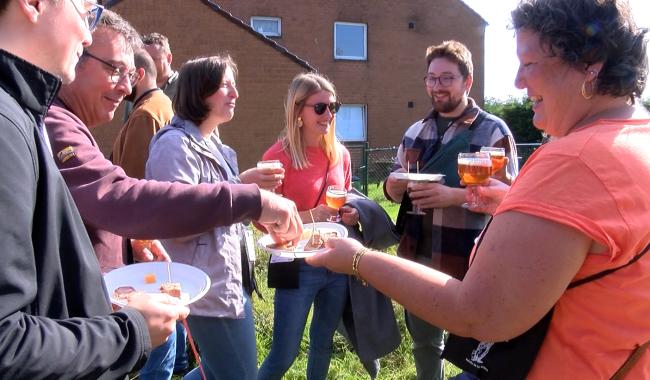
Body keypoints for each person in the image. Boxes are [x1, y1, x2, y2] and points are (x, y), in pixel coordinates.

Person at [307, 0, 650, 378]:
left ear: (591, 63)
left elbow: (479, 313)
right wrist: (511, 203)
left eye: (529, 63)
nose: (518, 81)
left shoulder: (574, 160)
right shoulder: (635, 140)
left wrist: (357, 259)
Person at [44, 9, 300, 380]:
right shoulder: (59, 123)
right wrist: (251, 197)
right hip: (191, 291)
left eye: (129, 75)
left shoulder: (218, 145)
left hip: (216, 282)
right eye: (115, 69)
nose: (124, 86)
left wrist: (133, 236)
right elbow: (118, 194)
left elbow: (93, 204)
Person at [0, 0, 188, 378]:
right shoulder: (9, 124)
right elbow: (7, 343)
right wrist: (129, 333)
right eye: (86, 11)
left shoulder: (24, 113)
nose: (86, 34)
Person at [383, 40, 518, 380]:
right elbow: (392, 184)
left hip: (472, 256)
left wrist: (453, 196)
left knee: (475, 344)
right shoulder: (416, 131)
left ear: (466, 81)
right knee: (425, 344)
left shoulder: (493, 131)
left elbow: (513, 200)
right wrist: (393, 187)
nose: (436, 86)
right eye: (431, 78)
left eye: (446, 78)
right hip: (419, 255)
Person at [147, 55, 278, 380]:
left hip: (229, 279)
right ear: (198, 91)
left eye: (234, 85)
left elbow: (225, 216)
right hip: (205, 287)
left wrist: (255, 211)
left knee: (222, 372)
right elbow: (178, 221)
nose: (234, 93)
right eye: (224, 86)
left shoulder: (215, 145)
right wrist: (242, 187)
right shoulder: (174, 146)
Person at [257, 72, 360, 380]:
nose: (328, 115)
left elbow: (343, 203)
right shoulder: (277, 158)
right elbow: (264, 223)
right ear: (298, 112)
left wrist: (350, 215)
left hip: (334, 260)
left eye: (333, 107)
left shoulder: (339, 154)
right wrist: (314, 214)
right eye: (320, 108)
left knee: (323, 344)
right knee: (283, 354)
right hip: (295, 264)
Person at [112, 48, 172, 178]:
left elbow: (133, 183)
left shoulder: (145, 115)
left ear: (139, 74)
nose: (119, 83)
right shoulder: (163, 103)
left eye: (123, 73)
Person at [123, 32, 177, 122]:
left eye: (153, 59)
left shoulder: (184, 87)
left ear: (169, 58)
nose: (147, 64)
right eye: (145, 59)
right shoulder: (135, 88)